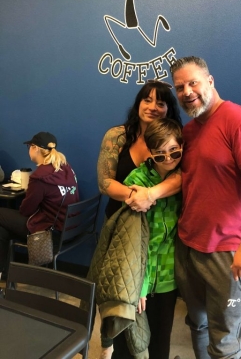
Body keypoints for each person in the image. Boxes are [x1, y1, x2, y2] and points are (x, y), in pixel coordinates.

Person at [170, 56, 241, 359]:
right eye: (179, 87)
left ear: (210, 81)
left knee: (225, 340)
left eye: (193, 83)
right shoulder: (189, 131)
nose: (187, 91)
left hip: (226, 251)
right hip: (188, 244)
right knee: (197, 324)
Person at [96, 81, 182, 359]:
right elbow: (105, 182)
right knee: (120, 297)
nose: (153, 107)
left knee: (157, 322)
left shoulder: (176, 141)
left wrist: (151, 194)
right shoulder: (117, 136)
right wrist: (137, 196)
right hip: (124, 225)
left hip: (162, 238)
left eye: (160, 102)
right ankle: (108, 345)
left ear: (169, 109)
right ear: (138, 103)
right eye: (147, 100)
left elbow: (185, 176)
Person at [0, 131, 79, 279]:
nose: (29, 149)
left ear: (35, 148)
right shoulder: (65, 167)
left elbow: (26, 210)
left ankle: (3, 273)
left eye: (29, 146)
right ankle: (3, 274)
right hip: (69, 229)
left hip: (51, 233)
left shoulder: (40, 176)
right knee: (2, 230)